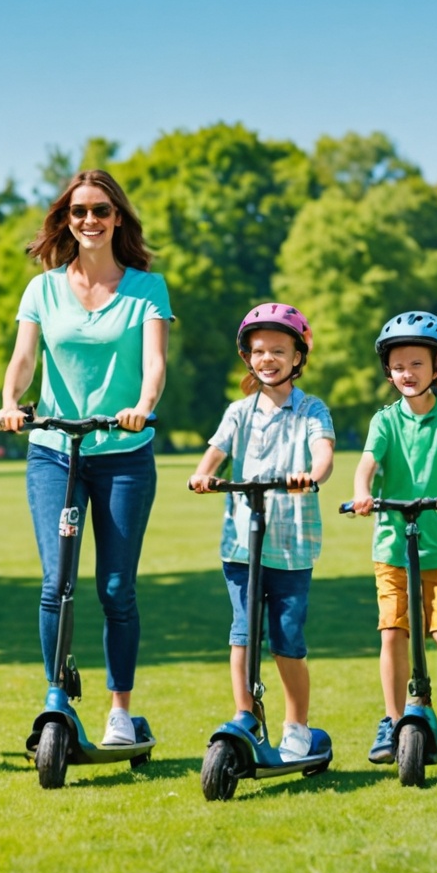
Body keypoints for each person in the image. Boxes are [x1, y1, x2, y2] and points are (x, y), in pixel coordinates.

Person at [0, 169, 170, 748]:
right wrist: (11, 402)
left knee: (116, 588)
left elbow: (155, 364)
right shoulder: (42, 289)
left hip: (123, 454)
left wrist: (141, 406)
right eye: (78, 212)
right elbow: (23, 356)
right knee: (55, 582)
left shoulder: (147, 288)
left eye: (100, 210)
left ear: (118, 218)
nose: (89, 220)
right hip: (54, 453)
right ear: (66, 220)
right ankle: (57, 698)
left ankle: (120, 710)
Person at [187, 304, 334, 760]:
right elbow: (215, 452)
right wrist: (203, 474)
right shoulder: (239, 412)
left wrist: (312, 474)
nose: (267, 358)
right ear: (247, 358)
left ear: (297, 357)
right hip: (241, 543)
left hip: (290, 545)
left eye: (278, 350)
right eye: (258, 351)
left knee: (287, 637)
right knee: (243, 633)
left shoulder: (312, 408)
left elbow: (323, 453)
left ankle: (296, 726)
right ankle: (246, 714)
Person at [350, 310, 437, 766]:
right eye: (398, 364)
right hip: (391, 547)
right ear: (389, 370)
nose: (406, 373)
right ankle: (391, 719)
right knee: (392, 634)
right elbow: (367, 463)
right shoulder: (384, 421)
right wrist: (362, 493)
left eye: (417, 364)